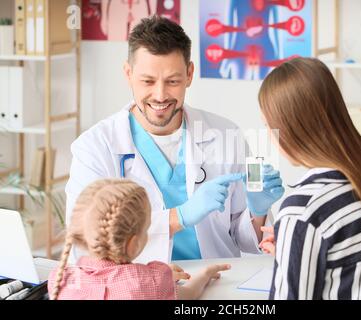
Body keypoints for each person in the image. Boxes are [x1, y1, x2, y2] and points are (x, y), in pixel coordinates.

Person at [65, 16, 284, 265]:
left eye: (172, 81)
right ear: (128, 73)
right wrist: (179, 217)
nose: (160, 95)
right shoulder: (95, 146)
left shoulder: (226, 134)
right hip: (139, 286)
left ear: (189, 75)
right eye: (148, 81)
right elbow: (86, 239)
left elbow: (246, 239)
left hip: (218, 281)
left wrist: (258, 212)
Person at [257, 57, 361, 300]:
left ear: (291, 129)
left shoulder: (304, 210)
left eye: (268, 126)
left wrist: (298, 239)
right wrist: (294, 251)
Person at [49, 179, 230, 300]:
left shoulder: (60, 279)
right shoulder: (150, 282)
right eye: (147, 227)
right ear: (134, 243)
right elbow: (189, 293)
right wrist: (205, 274)